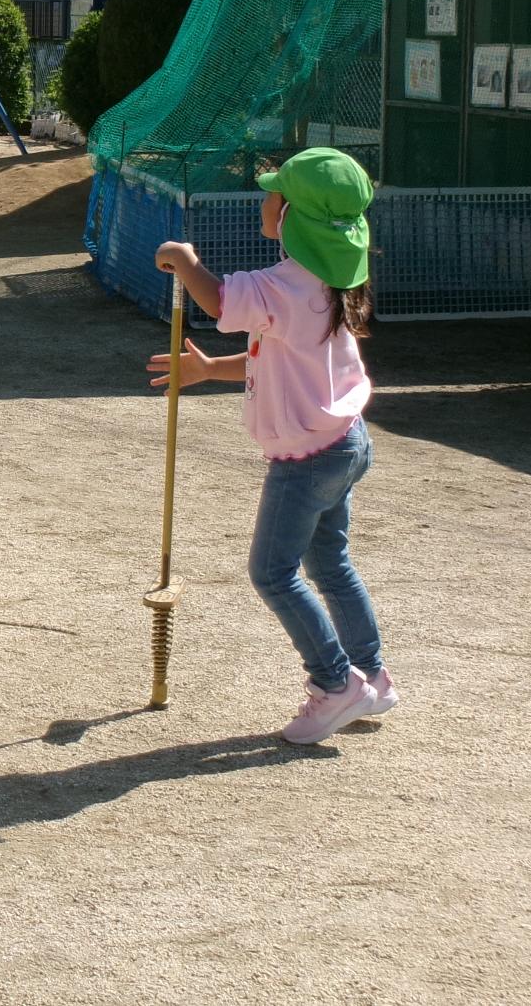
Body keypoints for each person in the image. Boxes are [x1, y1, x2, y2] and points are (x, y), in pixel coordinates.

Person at [150, 147, 395, 746]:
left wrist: (185, 260)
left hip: (306, 460)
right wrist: (211, 369)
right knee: (329, 563)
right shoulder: (329, 281)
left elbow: (220, 301)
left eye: (273, 193)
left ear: (291, 215)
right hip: (343, 443)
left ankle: (335, 684)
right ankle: (370, 675)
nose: (264, 200)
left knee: (271, 572)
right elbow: (276, 355)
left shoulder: (285, 285)